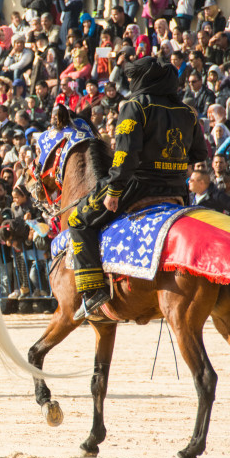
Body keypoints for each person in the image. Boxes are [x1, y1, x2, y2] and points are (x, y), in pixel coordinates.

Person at [67, 57, 207, 321]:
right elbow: (200, 152)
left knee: (78, 219)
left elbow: (125, 157)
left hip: (138, 186)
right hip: (177, 189)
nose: (130, 82)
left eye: (133, 78)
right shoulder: (187, 110)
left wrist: (114, 191)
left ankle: (93, 291)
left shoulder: (135, 105)